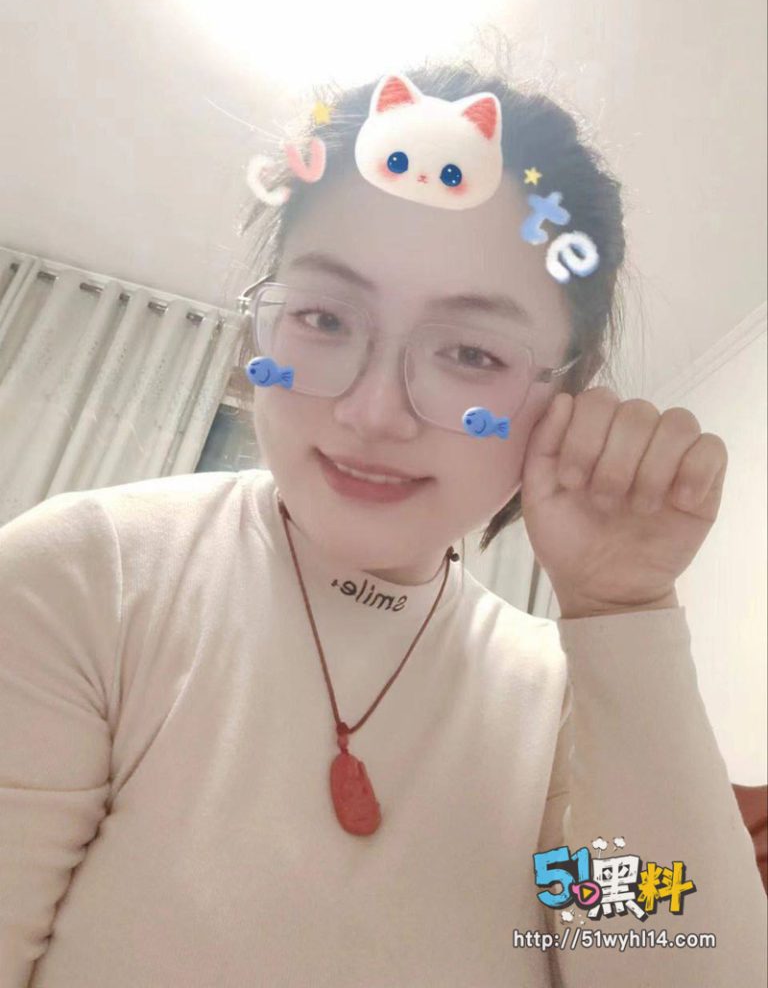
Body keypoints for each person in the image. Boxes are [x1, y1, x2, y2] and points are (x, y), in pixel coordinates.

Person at [1, 60, 765, 987]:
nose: (372, 412)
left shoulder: (570, 706)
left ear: (568, 395)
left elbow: (670, 962)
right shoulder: (88, 578)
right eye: (325, 318)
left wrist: (625, 614)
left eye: (471, 351)